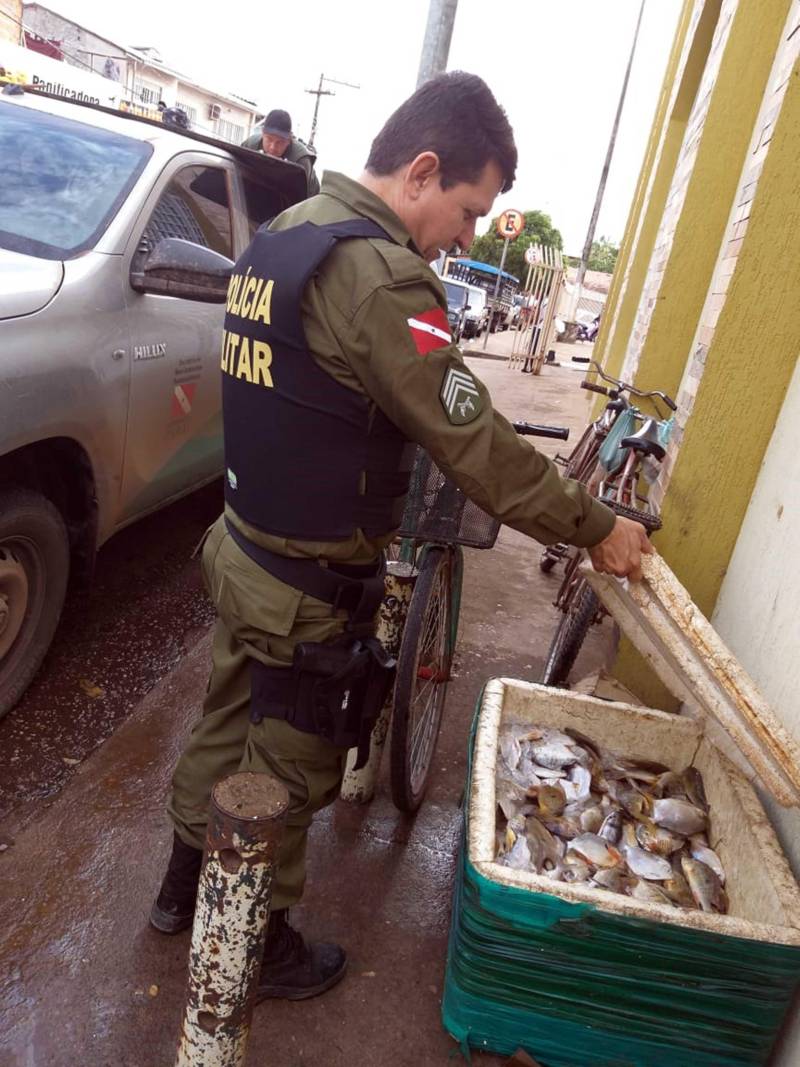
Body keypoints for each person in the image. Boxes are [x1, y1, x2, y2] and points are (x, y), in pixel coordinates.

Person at [151, 71, 650, 1003]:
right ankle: (257, 947)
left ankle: (182, 892)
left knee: (222, 731)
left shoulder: (287, 234)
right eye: (467, 210)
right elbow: (475, 444)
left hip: (244, 546)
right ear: (421, 172)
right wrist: (594, 527)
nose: (465, 237)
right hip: (303, 584)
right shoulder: (380, 278)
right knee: (289, 771)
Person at [242, 108, 320, 197]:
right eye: (269, 139)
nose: (272, 147)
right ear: (263, 133)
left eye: (280, 142)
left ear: (289, 140)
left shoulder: (300, 160)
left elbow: (300, 199)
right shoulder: (250, 145)